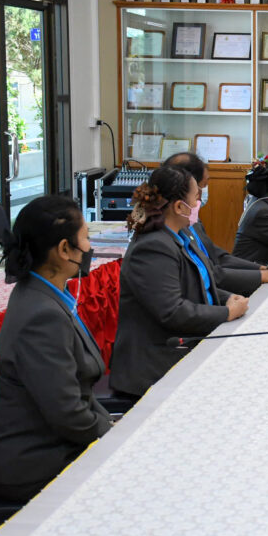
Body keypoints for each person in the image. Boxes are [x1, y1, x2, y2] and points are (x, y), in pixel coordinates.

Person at [0, 196, 111, 502]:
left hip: (54, 443)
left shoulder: (44, 294)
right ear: (64, 249)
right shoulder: (42, 316)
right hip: (31, 461)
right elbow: (68, 413)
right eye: (86, 238)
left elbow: (79, 395)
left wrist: (112, 426)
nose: (89, 246)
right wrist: (115, 437)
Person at [110, 166, 249, 400]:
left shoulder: (182, 234)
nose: (198, 203)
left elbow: (200, 282)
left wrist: (227, 298)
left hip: (185, 346)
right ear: (178, 207)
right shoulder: (153, 246)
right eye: (195, 197)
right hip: (157, 366)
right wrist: (226, 313)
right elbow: (172, 311)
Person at [163, 151, 268, 295]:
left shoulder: (193, 222)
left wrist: (262, 268)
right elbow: (209, 275)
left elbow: (218, 256)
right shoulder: (166, 236)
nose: (200, 197)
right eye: (202, 186)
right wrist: (265, 275)